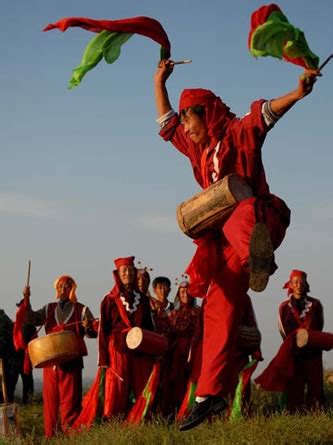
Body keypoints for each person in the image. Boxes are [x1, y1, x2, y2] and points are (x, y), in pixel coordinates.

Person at [154, 59, 319, 429]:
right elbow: (165, 124)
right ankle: (209, 396)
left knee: (240, 211)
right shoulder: (196, 147)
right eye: (183, 119)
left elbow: (265, 115)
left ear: (206, 113)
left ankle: (259, 258)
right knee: (218, 306)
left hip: (261, 220)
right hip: (227, 242)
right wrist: (159, 81)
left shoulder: (236, 131)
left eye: (188, 118)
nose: (184, 126)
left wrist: (297, 92)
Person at [73, 256, 156, 427]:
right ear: (118, 274)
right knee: (117, 386)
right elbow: (103, 330)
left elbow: (149, 326)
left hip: (139, 349)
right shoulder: (109, 299)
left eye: (131, 270)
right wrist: (103, 359)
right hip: (117, 349)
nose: (128, 273)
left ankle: (139, 421)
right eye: (124, 270)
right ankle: (112, 421)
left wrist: (154, 349)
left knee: (141, 384)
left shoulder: (143, 299)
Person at [22, 275, 96, 438]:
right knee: (50, 403)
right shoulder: (49, 309)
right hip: (50, 362)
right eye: (61, 286)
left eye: (68, 286)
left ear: (73, 288)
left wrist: (88, 326)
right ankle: (50, 437)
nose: (64, 289)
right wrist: (27, 299)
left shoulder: (82, 309)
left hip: (72, 362)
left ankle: (71, 437)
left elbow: (94, 332)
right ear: (57, 289)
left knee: (70, 404)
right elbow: (31, 319)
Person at [278, 269, 324, 412]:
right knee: (295, 388)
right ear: (291, 284)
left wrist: (310, 340)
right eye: (296, 282)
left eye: (302, 281)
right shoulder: (284, 307)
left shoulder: (316, 304)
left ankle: (316, 417)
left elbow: (319, 325)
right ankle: (294, 416)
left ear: (306, 284)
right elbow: (282, 330)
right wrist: (295, 344)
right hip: (294, 354)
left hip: (313, 353)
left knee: (315, 386)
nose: (299, 285)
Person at [168, 281, 200, 410]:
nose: (185, 294)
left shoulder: (199, 312)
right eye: (182, 292)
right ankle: (177, 411)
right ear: (178, 295)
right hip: (177, 354)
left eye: (188, 291)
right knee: (177, 382)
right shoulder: (173, 314)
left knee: (193, 381)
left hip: (195, 352)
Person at [0, 309, 21, 403]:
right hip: (10, 365)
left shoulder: (4, 323)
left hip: (8, 365)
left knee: (6, 397)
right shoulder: (7, 321)